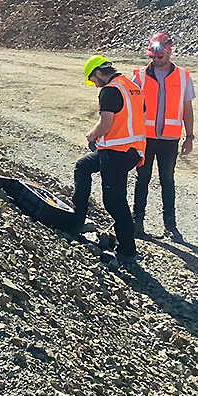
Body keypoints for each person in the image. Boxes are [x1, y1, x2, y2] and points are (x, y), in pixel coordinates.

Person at [71, 55, 149, 267]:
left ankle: (127, 251)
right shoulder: (131, 86)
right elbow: (135, 115)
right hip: (132, 151)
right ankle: (77, 218)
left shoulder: (110, 90)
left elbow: (106, 124)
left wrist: (91, 135)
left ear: (98, 73)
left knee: (114, 201)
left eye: (93, 80)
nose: (94, 85)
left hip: (116, 152)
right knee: (83, 166)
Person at [133, 32, 196, 242]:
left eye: (159, 57)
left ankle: (170, 225)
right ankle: (137, 220)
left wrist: (189, 136)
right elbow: (130, 107)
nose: (156, 60)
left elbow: (187, 108)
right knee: (142, 179)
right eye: (152, 57)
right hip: (145, 138)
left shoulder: (182, 76)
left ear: (169, 52)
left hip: (169, 140)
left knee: (167, 180)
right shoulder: (140, 76)